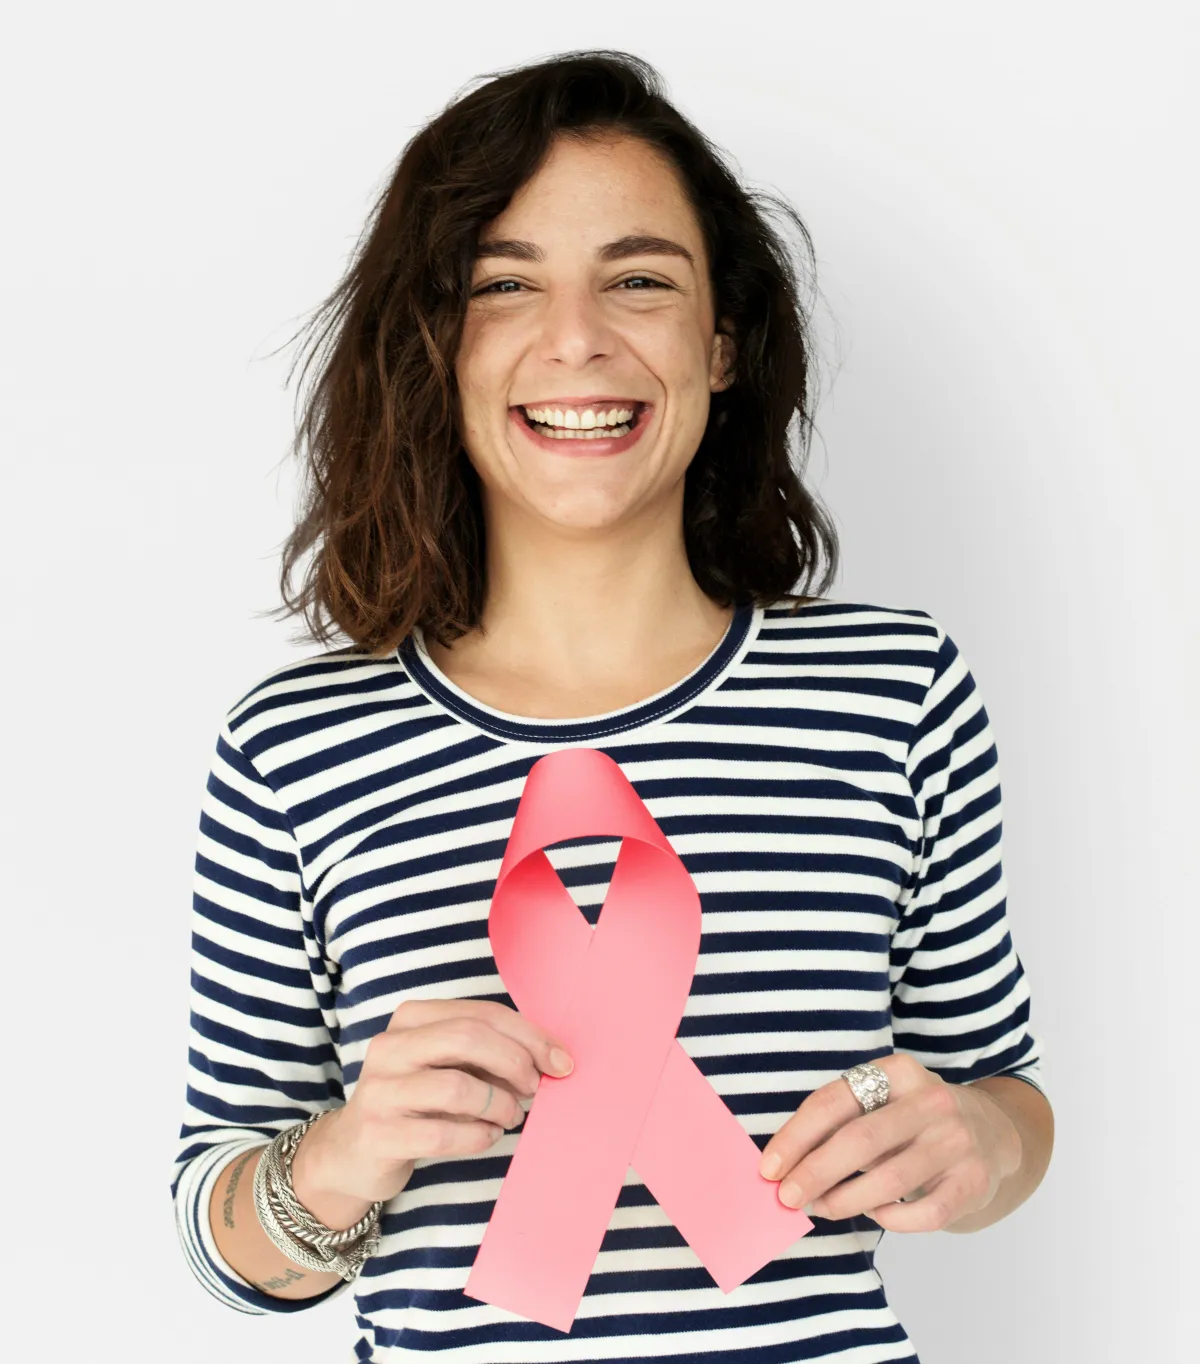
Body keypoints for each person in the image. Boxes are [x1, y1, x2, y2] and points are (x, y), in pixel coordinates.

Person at [171, 48, 1054, 1363]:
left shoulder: (895, 690)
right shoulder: (296, 749)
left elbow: (1002, 1091)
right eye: (504, 287)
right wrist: (346, 1153)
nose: (577, 339)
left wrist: (980, 1144)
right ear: (435, 348)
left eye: (637, 279)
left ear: (722, 342)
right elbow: (222, 1238)